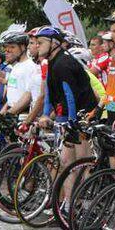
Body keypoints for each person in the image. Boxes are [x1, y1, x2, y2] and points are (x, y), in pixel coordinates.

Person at [34, 26, 98, 207]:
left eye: (40, 42)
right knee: (66, 162)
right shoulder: (52, 62)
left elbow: (70, 96)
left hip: (82, 116)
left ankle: (87, 205)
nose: (37, 46)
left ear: (54, 43)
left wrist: (71, 123)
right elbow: (49, 93)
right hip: (68, 116)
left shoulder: (63, 63)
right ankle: (69, 204)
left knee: (82, 163)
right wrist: (45, 114)